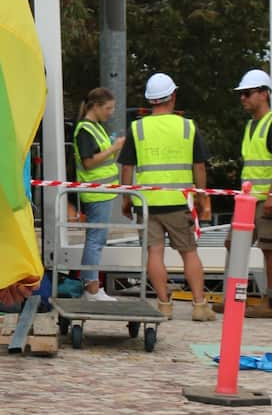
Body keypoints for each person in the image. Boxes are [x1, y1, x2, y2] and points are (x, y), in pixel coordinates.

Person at [120, 72, 212, 320]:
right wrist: (202, 198)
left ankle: (164, 305)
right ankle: (200, 305)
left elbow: (127, 167)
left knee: (155, 253)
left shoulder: (137, 128)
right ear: (172, 96)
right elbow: (199, 166)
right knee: (189, 252)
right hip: (178, 201)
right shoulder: (187, 126)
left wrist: (126, 199)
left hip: (148, 203)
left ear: (151, 100)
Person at [72, 86, 124, 301]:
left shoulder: (96, 126)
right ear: (95, 106)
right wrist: (113, 148)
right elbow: (89, 162)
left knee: (97, 239)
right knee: (96, 240)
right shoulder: (85, 129)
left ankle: (91, 285)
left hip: (103, 192)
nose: (111, 112)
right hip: (96, 193)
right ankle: (91, 288)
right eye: (108, 108)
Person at [235, 68, 272, 296]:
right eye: (241, 94)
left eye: (247, 93)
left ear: (264, 94)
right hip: (248, 200)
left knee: (269, 250)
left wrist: (271, 196)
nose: (242, 98)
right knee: (234, 244)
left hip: (265, 201)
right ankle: (234, 297)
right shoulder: (250, 126)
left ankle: (270, 301)